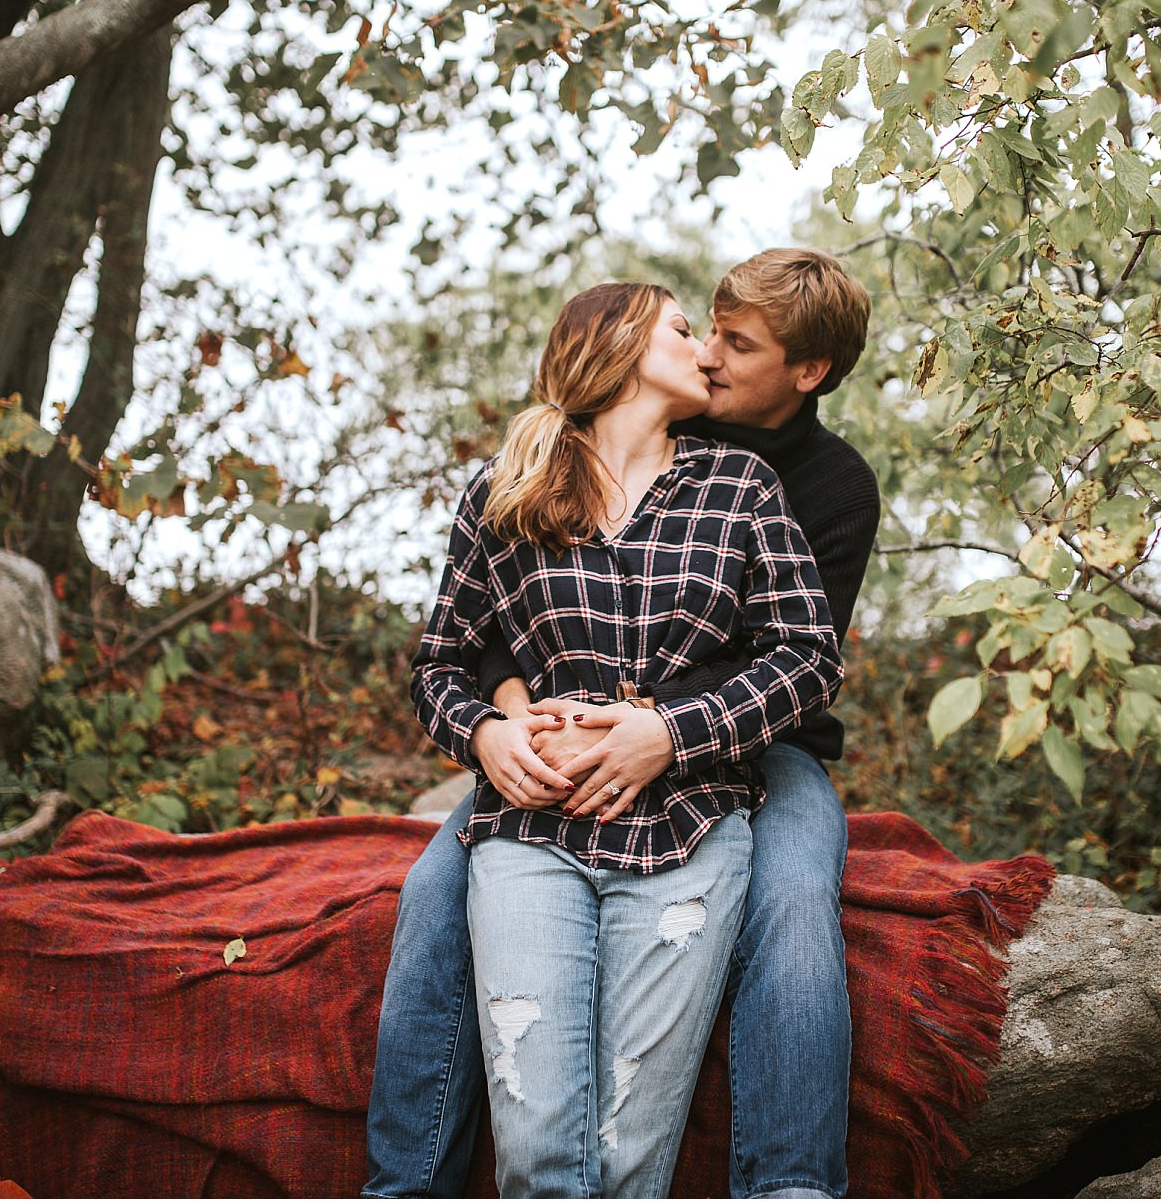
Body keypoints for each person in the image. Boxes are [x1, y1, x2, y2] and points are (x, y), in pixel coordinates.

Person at [370, 251, 878, 1199]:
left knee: (797, 897)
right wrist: (506, 718)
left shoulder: (808, 486)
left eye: (736, 342)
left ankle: (790, 1184)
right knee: (435, 891)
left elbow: (798, 656)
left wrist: (657, 728)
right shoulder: (520, 482)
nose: (714, 355)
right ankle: (404, 1185)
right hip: (559, 749)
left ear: (806, 372)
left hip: (757, 746)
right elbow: (480, 637)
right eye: (702, 329)